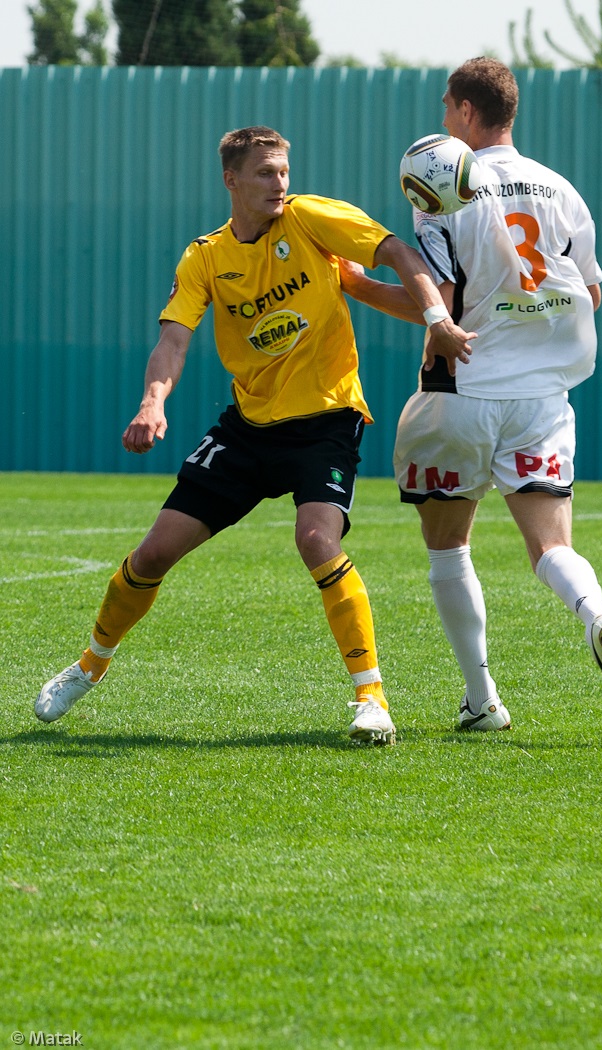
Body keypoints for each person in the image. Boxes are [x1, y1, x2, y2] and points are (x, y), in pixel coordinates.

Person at [35, 124, 475, 745]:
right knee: (154, 553)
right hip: (247, 428)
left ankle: (371, 697)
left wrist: (438, 318)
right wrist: (153, 402)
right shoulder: (206, 256)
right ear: (231, 180)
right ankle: (89, 666)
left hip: (326, 421)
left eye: (284, 172)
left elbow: (399, 254)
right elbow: (173, 338)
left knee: (316, 539)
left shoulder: (313, 218)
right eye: (265, 173)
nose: (279, 184)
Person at [339, 58, 602, 730]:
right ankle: (595, 614)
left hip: (461, 391)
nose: (442, 119)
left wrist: (359, 286)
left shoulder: (442, 181)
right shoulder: (559, 188)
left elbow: (440, 304)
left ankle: (482, 699)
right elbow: (590, 294)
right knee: (549, 549)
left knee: (449, 548)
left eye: (446, 108)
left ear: (465, 112)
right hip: (541, 398)